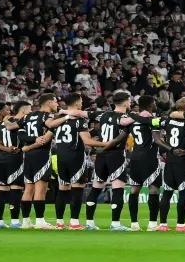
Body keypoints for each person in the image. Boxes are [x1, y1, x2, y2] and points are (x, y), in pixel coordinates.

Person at [84, 90, 132, 231]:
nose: (130, 103)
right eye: (129, 101)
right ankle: (115, 224)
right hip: (116, 154)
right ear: (124, 102)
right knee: (117, 189)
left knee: (96, 188)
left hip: (101, 155)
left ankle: (89, 223)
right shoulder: (125, 117)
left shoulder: (102, 114)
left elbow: (82, 113)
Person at [48, 93, 91, 229]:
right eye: (81, 101)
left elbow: (47, 135)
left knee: (63, 189)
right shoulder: (79, 121)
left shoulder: (58, 120)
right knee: (77, 188)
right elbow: (87, 140)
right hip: (76, 157)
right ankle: (74, 222)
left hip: (61, 157)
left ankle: (59, 222)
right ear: (77, 103)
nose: (82, 103)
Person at [121, 101, 162, 231]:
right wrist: (171, 150)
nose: (155, 104)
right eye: (154, 103)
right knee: (154, 189)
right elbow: (157, 139)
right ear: (150, 106)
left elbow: (122, 132)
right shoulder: (153, 120)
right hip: (149, 158)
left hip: (135, 157)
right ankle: (152, 224)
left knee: (134, 190)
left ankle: (134, 224)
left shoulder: (131, 121)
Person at [160, 98, 185, 231]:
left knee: (167, 192)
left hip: (170, 160)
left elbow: (155, 126)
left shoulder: (167, 120)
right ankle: (180, 225)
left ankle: (163, 224)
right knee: (183, 193)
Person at [20, 97, 58, 229]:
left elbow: (21, 136)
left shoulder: (28, 116)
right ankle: (40, 221)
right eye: (55, 102)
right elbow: (52, 126)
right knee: (40, 189)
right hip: (41, 154)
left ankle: (25, 222)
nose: (57, 104)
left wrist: (32, 139)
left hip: (28, 155)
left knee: (28, 188)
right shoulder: (48, 116)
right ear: (48, 103)